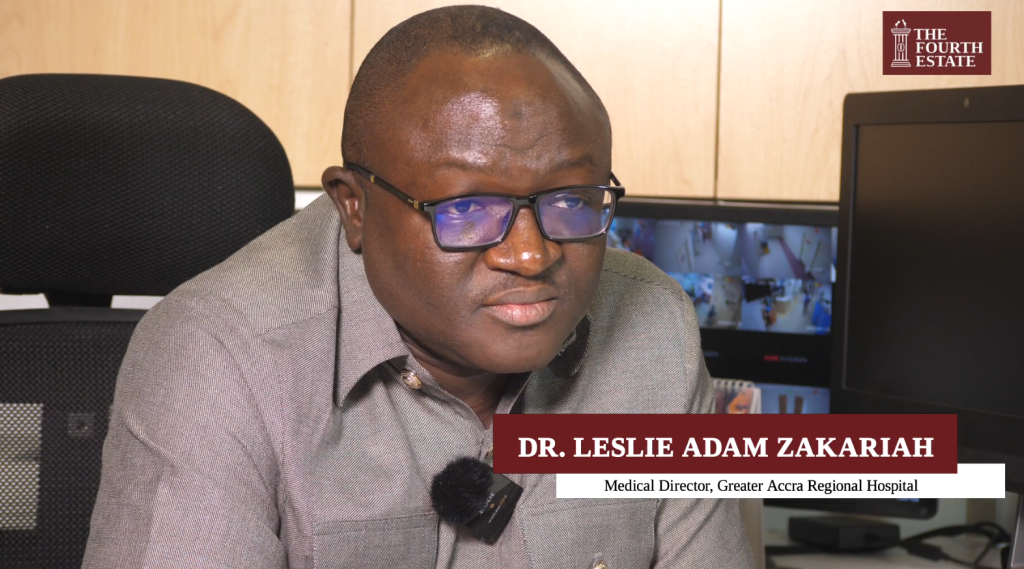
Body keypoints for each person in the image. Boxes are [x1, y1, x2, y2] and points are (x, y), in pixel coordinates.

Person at [84, 6, 754, 568]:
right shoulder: (218, 355)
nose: (531, 254)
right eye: (468, 209)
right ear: (355, 208)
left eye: (572, 199)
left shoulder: (654, 325)